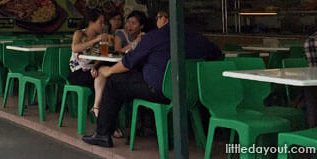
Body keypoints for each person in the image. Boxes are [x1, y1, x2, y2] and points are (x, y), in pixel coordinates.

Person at [82, 10, 222, 147]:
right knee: (135, 79)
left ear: (164, 19)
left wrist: (109, 71)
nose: (157, 21)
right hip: (190, 93)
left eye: (158, 18)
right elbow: (218, 55)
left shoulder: (155, 36)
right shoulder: (198, 38)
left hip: (161, 91)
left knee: (114, 82)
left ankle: (102, 134)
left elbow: (128, 62)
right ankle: (147, 125)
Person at [69, 9, 125, 136]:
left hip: (91, 70)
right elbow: (75, 48)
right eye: (100, 22)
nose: (103, 25)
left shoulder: (102, 37)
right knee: (106, 85)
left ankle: (98, 110)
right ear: (91, 22)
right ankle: (109, 124)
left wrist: (96, 66)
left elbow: (100, 57)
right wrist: (95, 40)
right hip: (77, 72)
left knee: (110, 82)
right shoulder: (80, 34)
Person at [303, 15, 317, 127]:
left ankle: (312, 128)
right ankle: (313, 128)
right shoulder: (314, 41)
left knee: (309, 90)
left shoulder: (312, 41)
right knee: (310, 89)